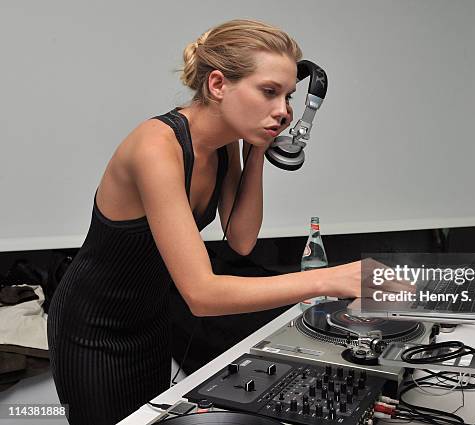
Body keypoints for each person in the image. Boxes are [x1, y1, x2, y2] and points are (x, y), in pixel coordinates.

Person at [47, 19, 362, 425]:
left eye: (288, 97)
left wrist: (256, 156)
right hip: (93, 329)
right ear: (217, 85)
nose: (284, 111)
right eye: (269, 92)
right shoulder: (155, 146)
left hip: (151, 319)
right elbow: (201, 294)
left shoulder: (226, 144)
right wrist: (328, 279)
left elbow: (242, 239)